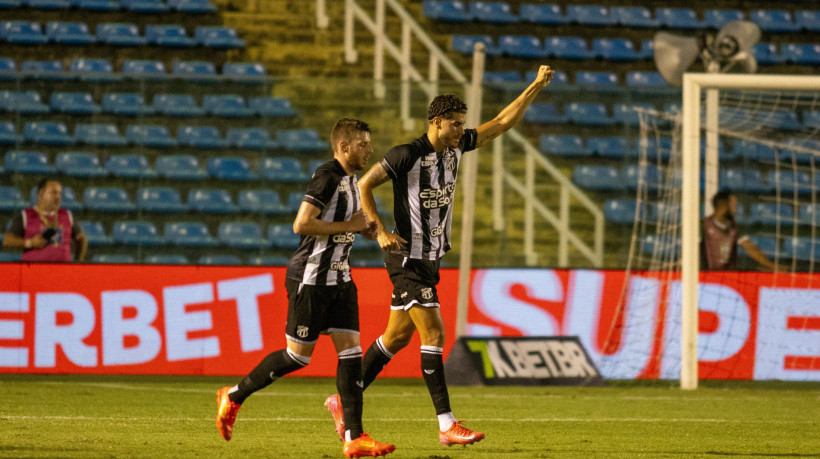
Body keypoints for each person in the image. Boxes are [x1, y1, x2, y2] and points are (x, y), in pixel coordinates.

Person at [323, 66, 555, 447]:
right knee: (435, 333)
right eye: (456, 124)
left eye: (463, 124)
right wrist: (379, 231)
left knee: (395, 338)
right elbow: (364, 184)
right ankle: (446, 424)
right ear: (437, 123)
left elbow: (500, 123)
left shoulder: (456, 148)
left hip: (431, 258)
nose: (463, 130)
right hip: (406, 258)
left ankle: (343, 400)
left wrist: (533, 87)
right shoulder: (405, 155)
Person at [215, 118, 395, 458]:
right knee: (298, 356)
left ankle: (354, 437)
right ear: (344, 146)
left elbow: (346, 226)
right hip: (311, 278)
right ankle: (233, 396)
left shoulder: (352, 180)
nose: (369, 149)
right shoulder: (327, 176)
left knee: (351, 355)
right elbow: (302, 223)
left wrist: (364, 230)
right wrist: (351, 225)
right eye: (363, 144)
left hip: (340, 278)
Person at [3, 178, 87, 262]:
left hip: (62, 270)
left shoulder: (67, 215)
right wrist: (30, 243)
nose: (58, 197)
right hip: (34, 270)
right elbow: (7, 240)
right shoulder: (26, 215)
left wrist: (78, 260)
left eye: (60, 193)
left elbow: (81, 238)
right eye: (54, 193)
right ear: (41, 193)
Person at [702, 189, 784, 271]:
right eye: (734, 205)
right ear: (722, 205)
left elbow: (750, 248)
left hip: (728, 277)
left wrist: (772, 266)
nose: (736, 210)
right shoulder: (703, 225)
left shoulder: (735, 228)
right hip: (706, 277)